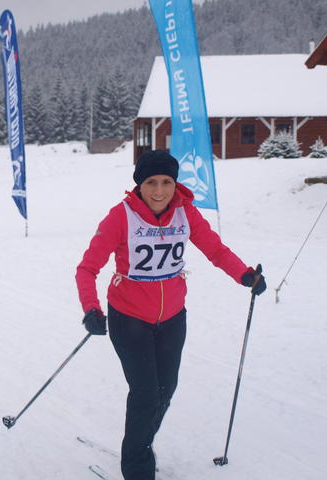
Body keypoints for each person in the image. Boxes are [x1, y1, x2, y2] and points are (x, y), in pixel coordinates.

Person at [75, 150, 266, 480]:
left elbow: (215, 249)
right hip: (129, 318)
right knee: (146, 393)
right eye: (151, 182)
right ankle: (137, 468)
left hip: (173, 318)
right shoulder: (120, 217)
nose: (159, 191)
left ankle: (139, 444)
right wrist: (91, 308)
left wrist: (244, 274)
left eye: (166, 182)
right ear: (139, 185)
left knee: (166, 390)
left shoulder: (185, 212)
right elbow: (87, 268)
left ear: (175, 184)